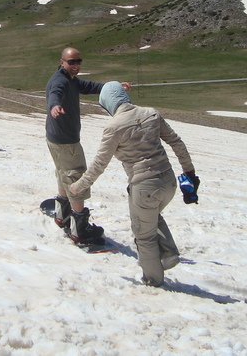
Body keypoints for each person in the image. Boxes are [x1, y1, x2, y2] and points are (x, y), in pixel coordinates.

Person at [69, 81, 200, 287]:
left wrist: (79, 186)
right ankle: (169, 253)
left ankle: (153, 281)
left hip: (144, 186)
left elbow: (99, 164)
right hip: (168, 181)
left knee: (144, 234)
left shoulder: (113, 127)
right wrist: (189, 172)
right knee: (151, 216)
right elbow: (176, 142)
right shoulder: (151, 113)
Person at [45, 47, 130, 243]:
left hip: (56, 137)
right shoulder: (60, 81)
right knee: (76, 176)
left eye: (78, 61)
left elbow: (91, 86)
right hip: (66, 140)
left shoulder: (71, 80)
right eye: (71, 62)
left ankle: (62, 214)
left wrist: (114, 87)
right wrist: (54, 106)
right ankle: (78, 228)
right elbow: (54, 94)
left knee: (63, 173)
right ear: (61, 62)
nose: (76, 65)